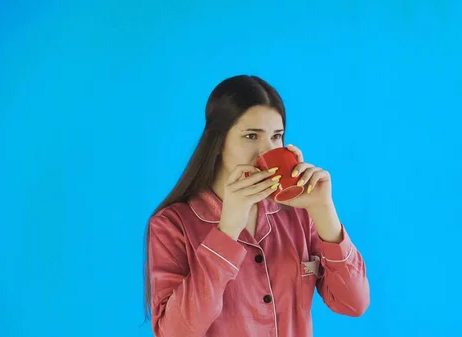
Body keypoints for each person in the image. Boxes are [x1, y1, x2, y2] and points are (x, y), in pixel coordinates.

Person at [144, 75, 370, 337]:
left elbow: (353, 303)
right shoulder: (171, 225)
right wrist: (227, 230)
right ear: (217, 143)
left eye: (277, 136)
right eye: (251, 136)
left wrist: (323, 211)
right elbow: (174, 332)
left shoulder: (299, 215)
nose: (266, 151)